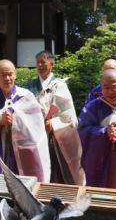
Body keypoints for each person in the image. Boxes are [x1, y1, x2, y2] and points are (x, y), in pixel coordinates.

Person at [0, 59, 50, 182]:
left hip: (20, 151)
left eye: (10, 74)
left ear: (15, 75)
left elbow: (37, 126)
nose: (7, 78)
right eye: (3, 75)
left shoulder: (26, 96)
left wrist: (16, 121)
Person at [24, 51, 85, 185]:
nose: (40, 65)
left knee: (58, 169)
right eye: (38, 62)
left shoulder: (60, 85)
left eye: (43, 62)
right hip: (36, 135)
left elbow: (69, 115)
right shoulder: (29, 86)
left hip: (55, 136)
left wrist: (53, 123)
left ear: (51, 63)